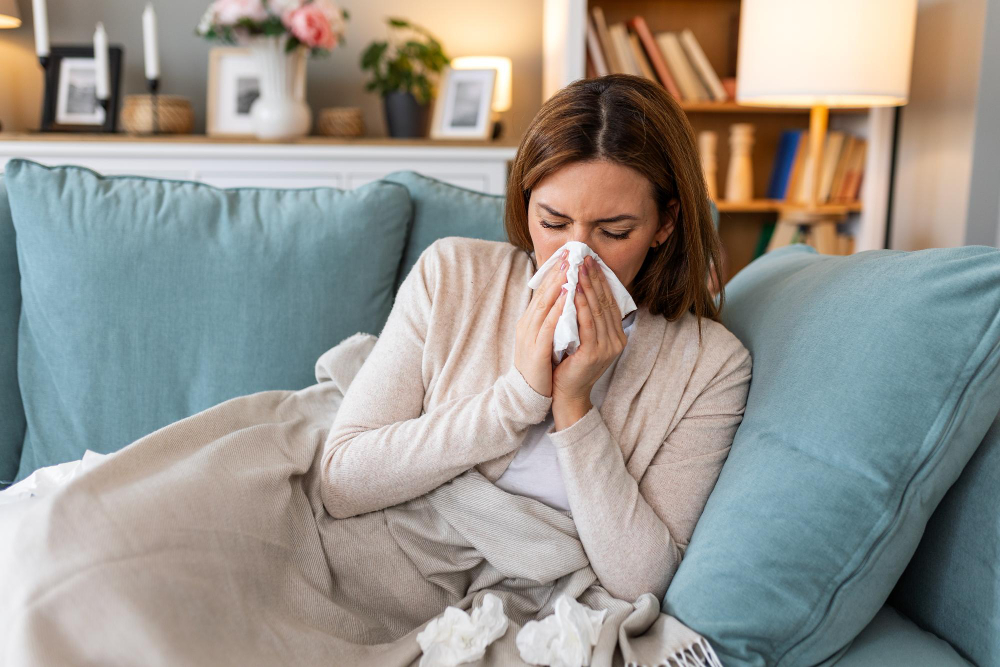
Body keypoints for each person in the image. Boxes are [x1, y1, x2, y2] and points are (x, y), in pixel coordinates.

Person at [320, 73, 752, 604]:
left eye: (614, 232)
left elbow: (643, 580)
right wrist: (516, 398)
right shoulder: (451, 274)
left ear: (665, 223)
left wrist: (574, 407)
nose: (576, 257)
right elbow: (342, 481)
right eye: (553, 222)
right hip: (389, 556)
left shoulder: (709, 365)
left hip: (538, 600)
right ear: (526, 204)